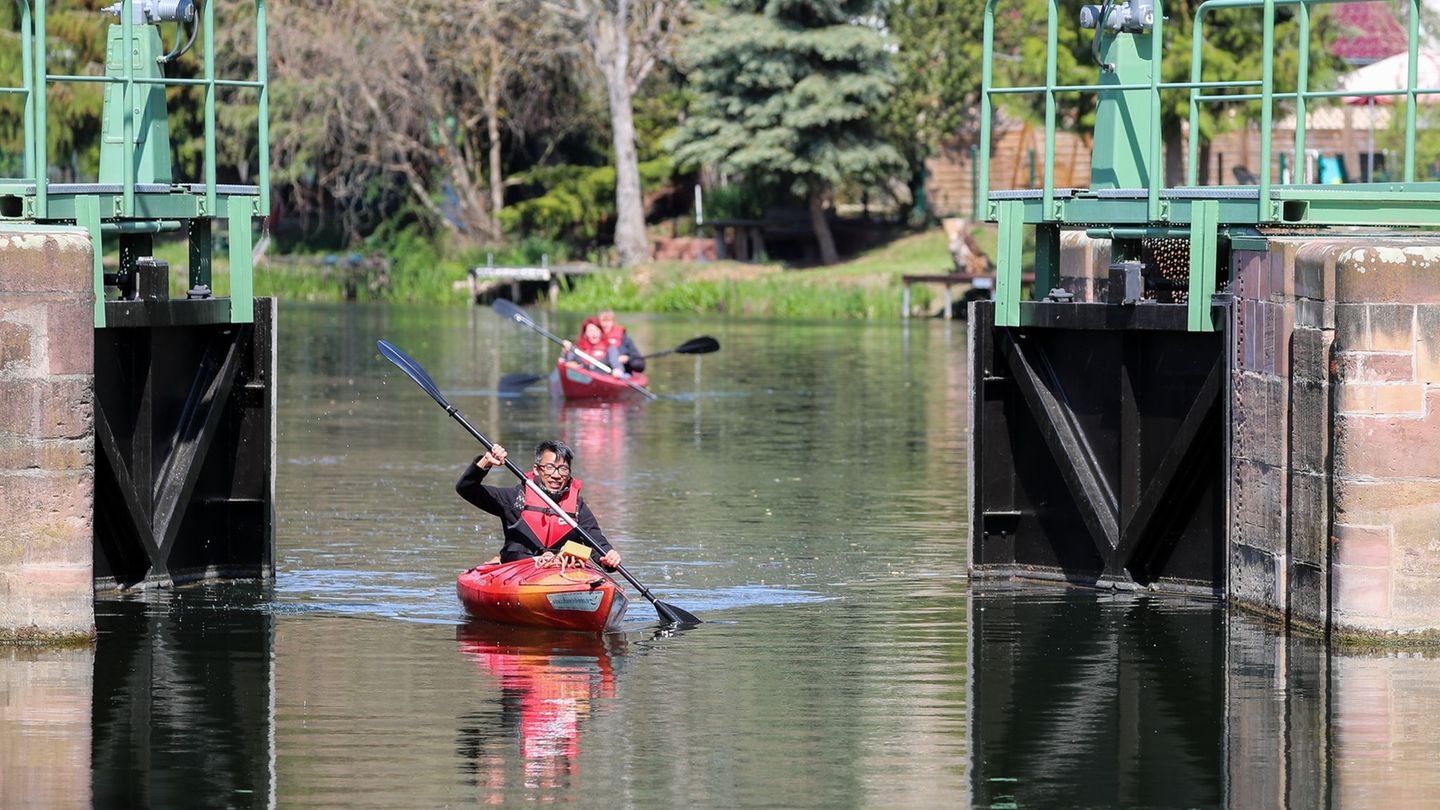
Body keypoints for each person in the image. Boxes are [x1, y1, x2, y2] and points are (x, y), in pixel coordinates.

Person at [455, 439, 622, 569]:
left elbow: (597, 543)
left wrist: (608, 558)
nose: (556, 475)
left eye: (563, 469)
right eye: (549, 467)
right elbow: (466, 488)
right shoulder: (514, 499)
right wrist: (486, 461)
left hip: (561, 572)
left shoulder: (578, 507)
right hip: (517, 574)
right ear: (536, 469)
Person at [562, 311, 645, 377]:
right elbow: (564, 362)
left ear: (600, 332)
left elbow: (617, 365)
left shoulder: (611, 347)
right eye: (590, 331)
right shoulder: (577, 347)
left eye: (596, 331)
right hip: (582, 377)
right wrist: (565, 352)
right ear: (585, 333)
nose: (593, 335)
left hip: (604, 376)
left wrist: (620, 368)